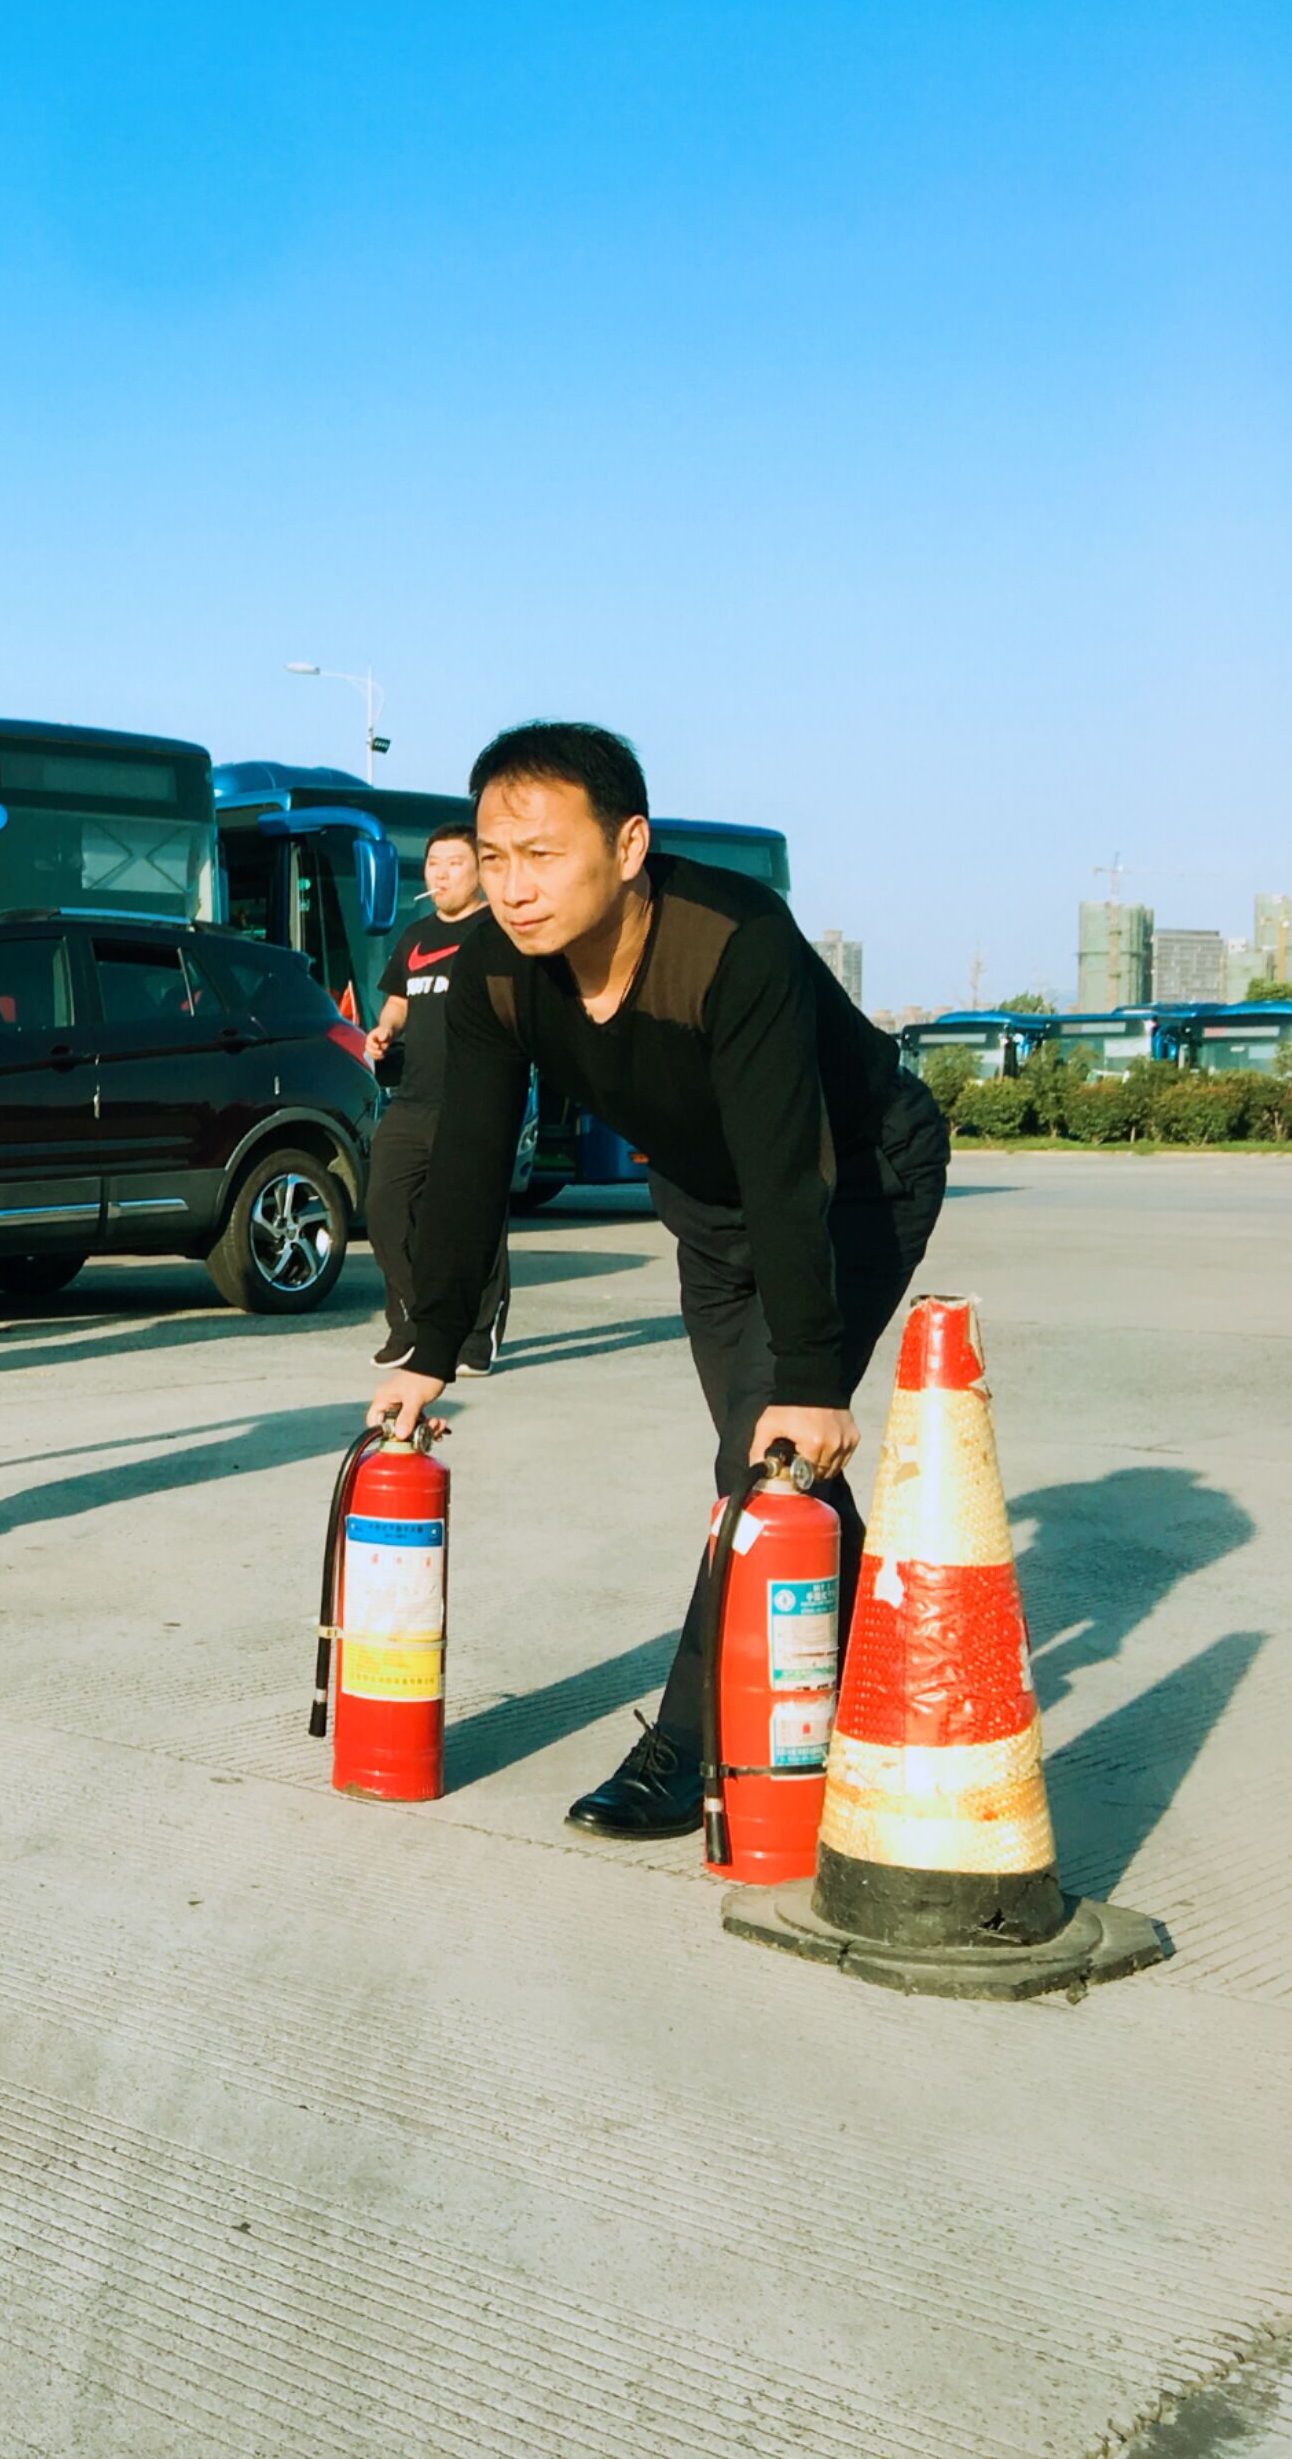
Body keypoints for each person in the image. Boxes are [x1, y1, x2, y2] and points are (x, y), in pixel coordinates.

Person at [370, 723, 948, 1841]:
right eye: (494, 859)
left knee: (761, 1456)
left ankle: (690, 1745)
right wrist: (428, 1346)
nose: (513, 888)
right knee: (776, 1469)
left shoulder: (733, 940)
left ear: (628, 845)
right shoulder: (496, 970)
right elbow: (470, 1162)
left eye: (542, 855)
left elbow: (788, 1168)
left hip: (856, 1177)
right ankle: (887, 1663)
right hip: (707, 1205)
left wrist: (813, 1376)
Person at [361, 821, 510, 1373]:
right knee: (384, 1208)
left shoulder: (497, 931)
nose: (441, 875)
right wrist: (384, 1030)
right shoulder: (415, 935)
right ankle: (411, 1321)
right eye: (433, 864)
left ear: (480, 872)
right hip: (413, 1098)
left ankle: (477, 1334)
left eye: (454, 864)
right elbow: (399, 1000)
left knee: (475, 1218)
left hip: (475, 1100)